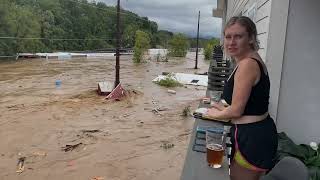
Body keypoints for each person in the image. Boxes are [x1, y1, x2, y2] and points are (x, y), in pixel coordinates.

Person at [206, 16, 278, 180]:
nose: (231, 42)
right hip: (254, 133)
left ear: (251, 38)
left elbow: (237, 110)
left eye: (238, 36)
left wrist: (213, 114)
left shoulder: (247, 64)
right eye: (228, 36)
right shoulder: (248, 60)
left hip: (254, 138)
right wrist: (221, 107)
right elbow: (249, 104)